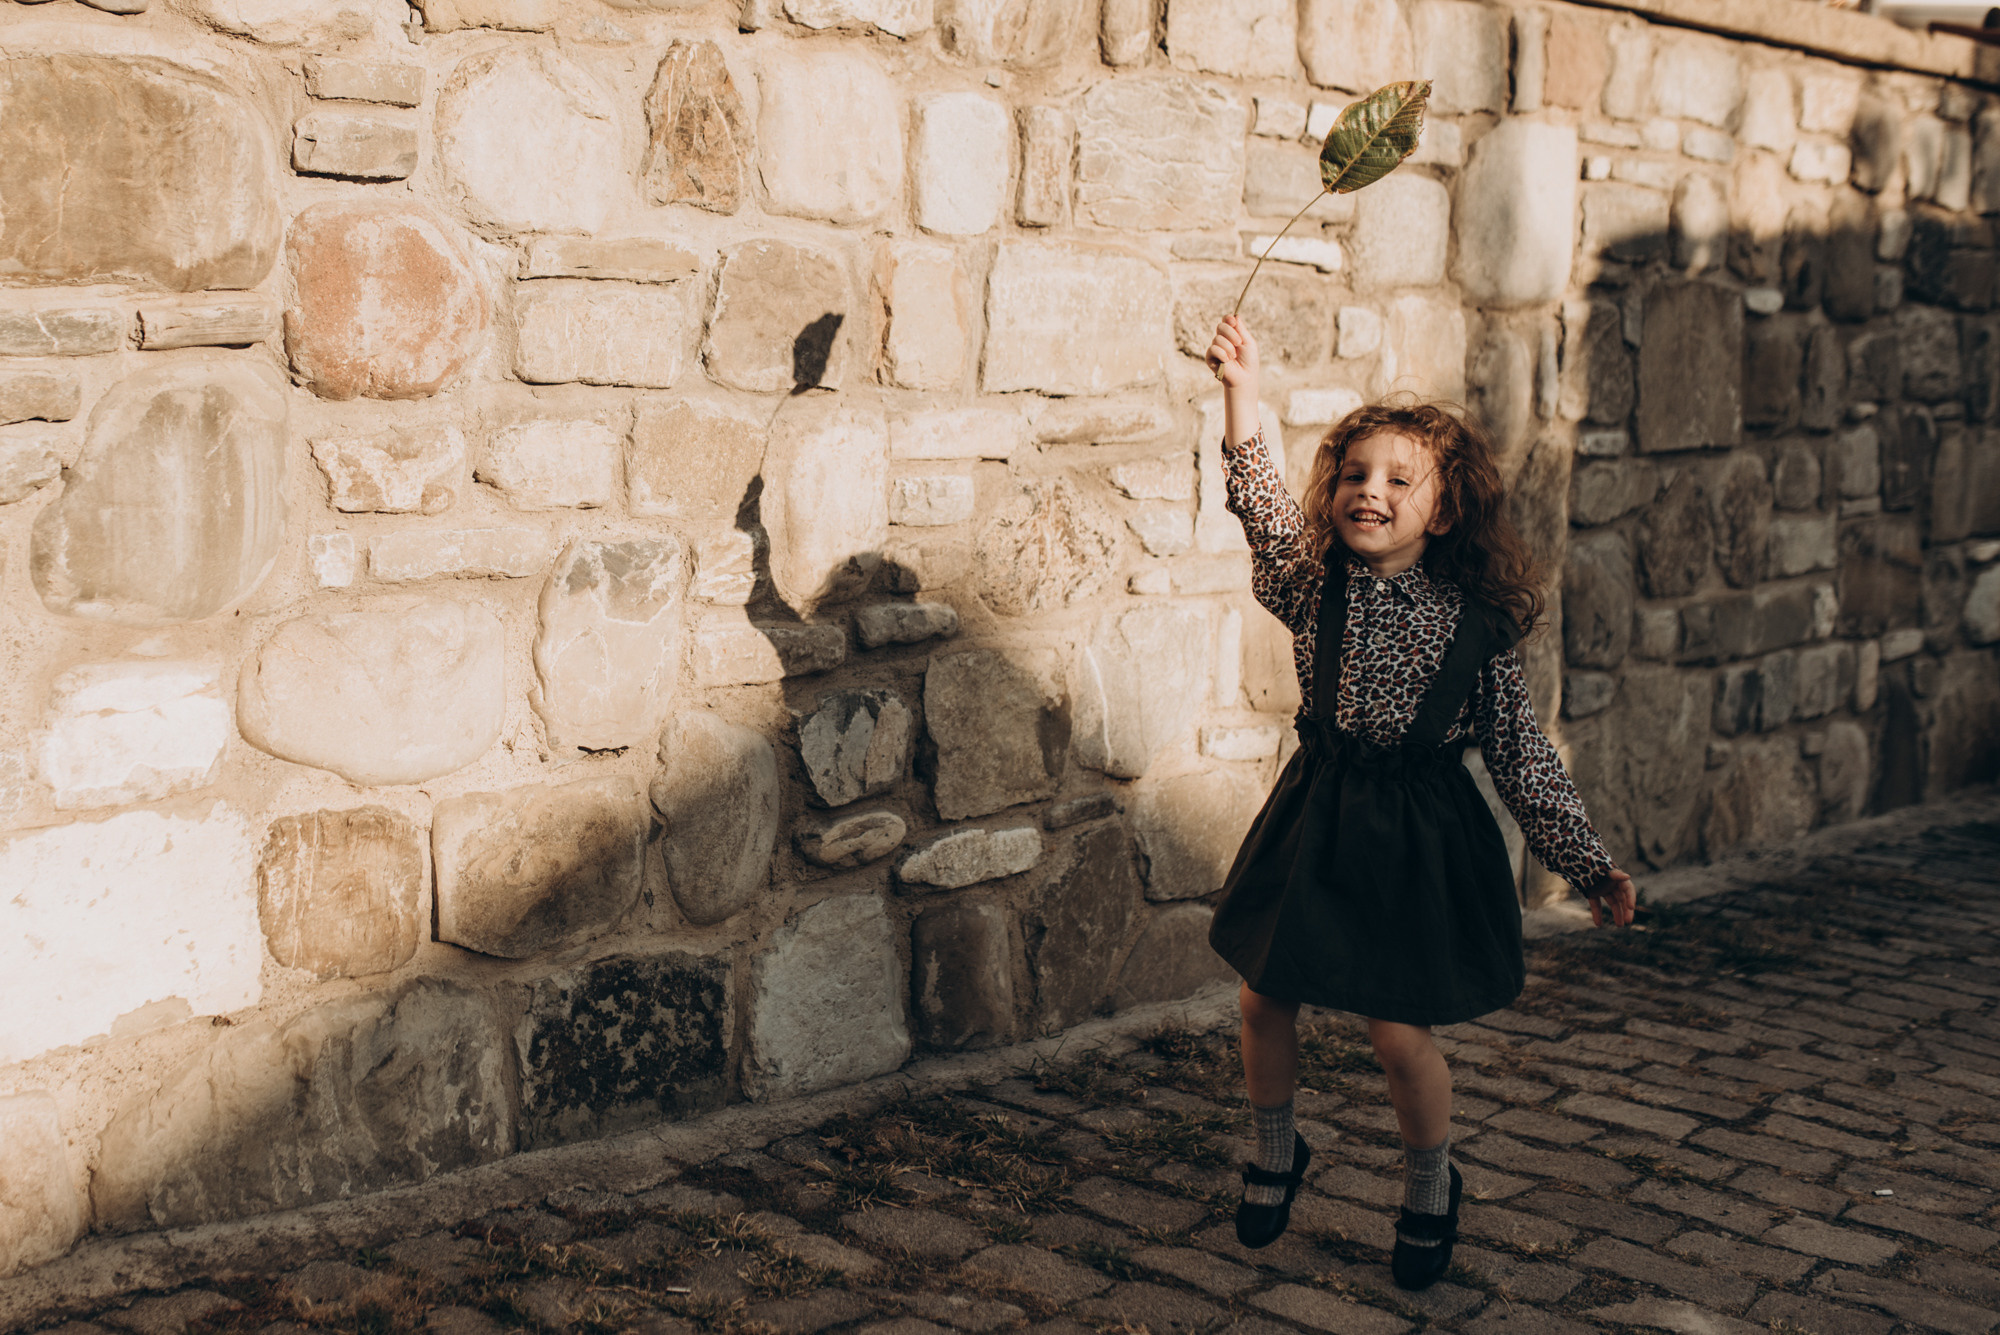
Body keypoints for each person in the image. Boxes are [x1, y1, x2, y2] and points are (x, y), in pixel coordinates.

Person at [1201, 314, 1637, 1292]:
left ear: (1441, 513)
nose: (1369, 493)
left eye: (1398, 481)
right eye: (1355, 475)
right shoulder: (1311, 583)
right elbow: (1258, 500)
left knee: (1397, 1033)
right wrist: (1240, 388)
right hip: (1316, 817)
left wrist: (1586, 863)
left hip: (1415, 840)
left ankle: (1430, 1185)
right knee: (1261, 992)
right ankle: (1276, 1150)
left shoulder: (1474, 627)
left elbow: (1524, 761)